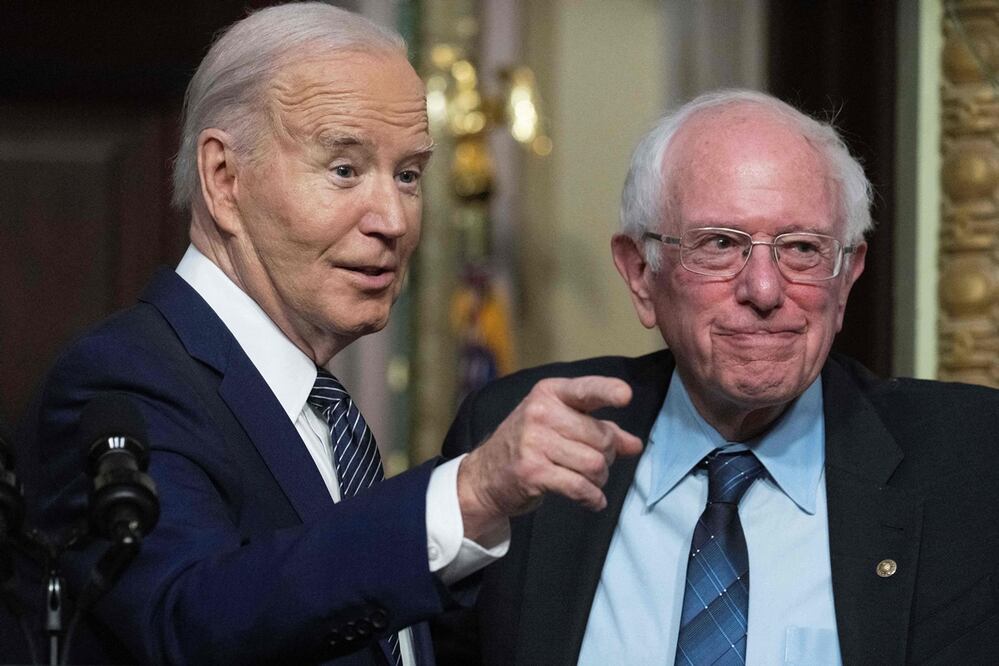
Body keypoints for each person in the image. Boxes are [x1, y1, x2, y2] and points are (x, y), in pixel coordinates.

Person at [15, 3, 642, 664]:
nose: (393, 220)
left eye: (408, 175)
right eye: (344, 170)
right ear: (223, 178)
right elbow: (187, 622)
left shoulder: (323, 410)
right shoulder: (122, 382)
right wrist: (467, 494)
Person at [439, 89, 999, 665]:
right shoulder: (525, 436)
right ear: (640, 274)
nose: (764, 290)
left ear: (846, 278)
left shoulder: (972, 463)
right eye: (720, 245)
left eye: (802, 248)